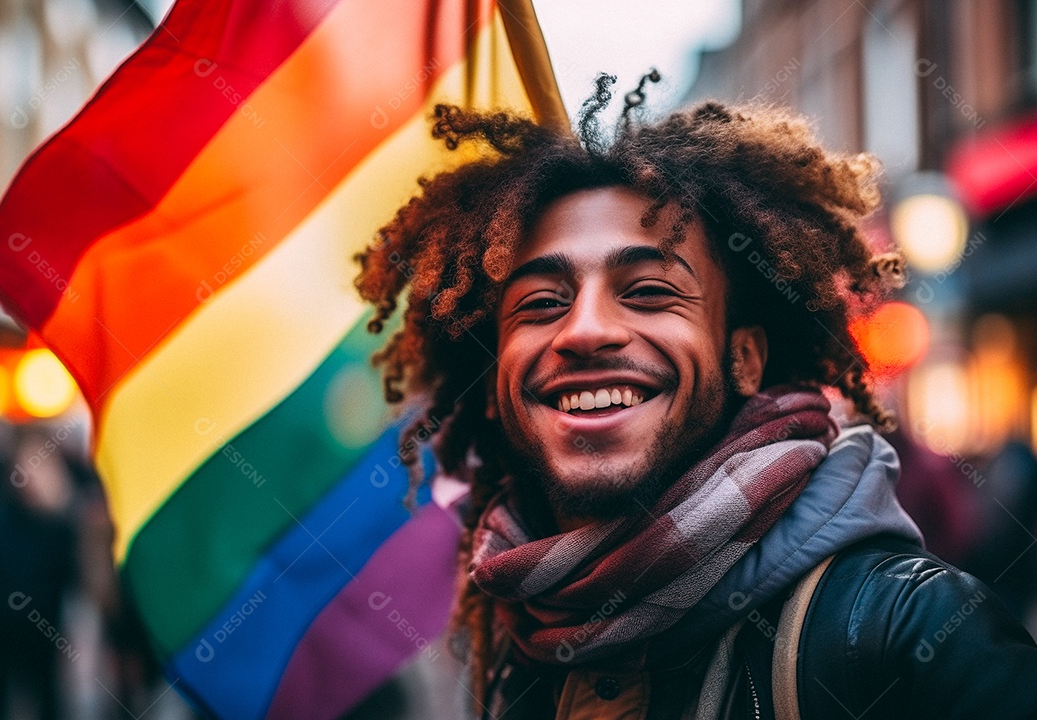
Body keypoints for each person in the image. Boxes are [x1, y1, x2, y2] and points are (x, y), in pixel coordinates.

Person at [353, 74, 1037, 719]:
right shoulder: (504, 655)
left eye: (649, 291)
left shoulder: (910, 632)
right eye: (541, 303)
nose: (586, 329)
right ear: (495, 388)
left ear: (743, 356)